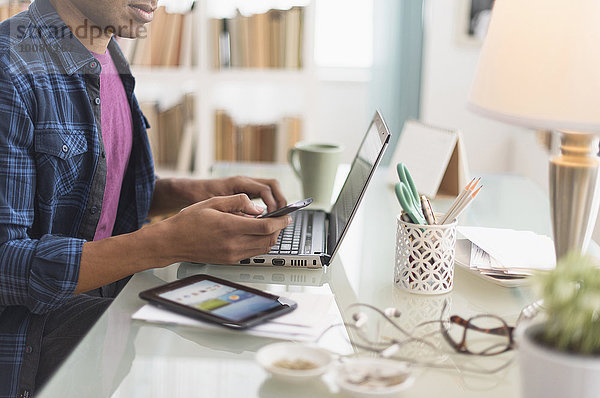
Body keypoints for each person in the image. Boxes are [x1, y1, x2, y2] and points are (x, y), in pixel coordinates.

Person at [0, 0, 292, 396]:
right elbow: (5, 263)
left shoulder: (107, 51)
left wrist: (193, 192)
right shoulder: (10, 69)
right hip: (39, 367)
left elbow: (97, 197)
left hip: (109, 340)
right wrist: (168, 242)